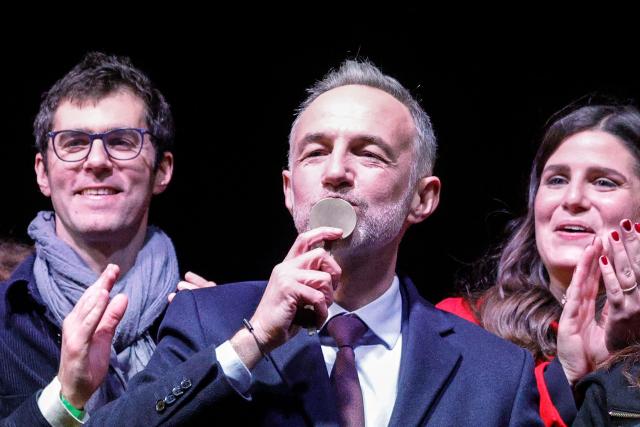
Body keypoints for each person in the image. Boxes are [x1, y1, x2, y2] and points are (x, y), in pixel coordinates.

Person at [66, 59, 543, 426]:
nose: (336, 172)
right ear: (289, 189)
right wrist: (250, 343)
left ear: (423, 197)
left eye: (369, 154)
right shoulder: (205, 320)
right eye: (316, 152)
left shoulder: (496, 371)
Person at [0, 52, 211, 426]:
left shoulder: (206, 318)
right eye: (73, 142)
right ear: (42, 172)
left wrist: (215, 364)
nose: (97, 161)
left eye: (122, 141)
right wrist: (64, 397)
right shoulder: (4, 319)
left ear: (162, 170)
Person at [437, 103, 640, 426]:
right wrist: (566, 378)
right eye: (556, 180)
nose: (572, 198)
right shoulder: (459, 325)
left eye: (604, 182)